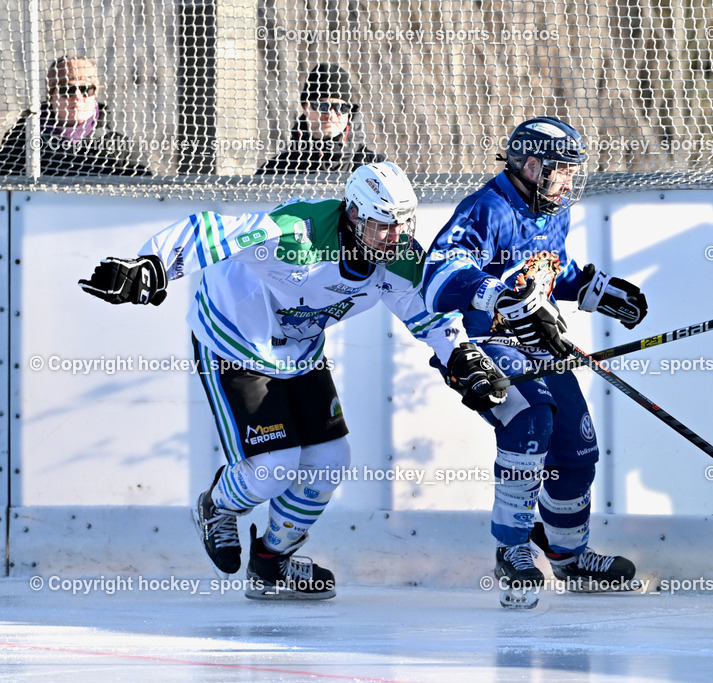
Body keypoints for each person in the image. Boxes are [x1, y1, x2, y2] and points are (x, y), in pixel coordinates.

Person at [78, 161, 504, 600]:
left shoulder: (399, 259)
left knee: (332, 460)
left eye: (402, 225)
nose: (393, 238)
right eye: (381, 226)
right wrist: (151, 265)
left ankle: (270, 563)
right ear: (354, 215)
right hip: (233, 342)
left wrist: (462, 357)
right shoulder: (296, 233)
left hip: (298, 354)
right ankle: (216, 507)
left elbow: (429, 313)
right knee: (272, 469)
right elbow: (209, 231)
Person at [422, 117, 649, 608]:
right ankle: (512, 549)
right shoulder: (487, 208)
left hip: (540, 347)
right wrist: (500, 296)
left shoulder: (552, 208)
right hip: (485, 343)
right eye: (560, 169)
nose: (567, 180)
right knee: (530, 421)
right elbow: (439, 277)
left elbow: (548, 269)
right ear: (530, 165)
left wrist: (595, 290)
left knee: (578, 446)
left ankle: (568, 556)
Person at [0, 56, 151, 176]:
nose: (78, 96)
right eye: (68, 90)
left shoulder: (118, 145)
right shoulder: (21, 141)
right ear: (51, 97)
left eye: (87, 89)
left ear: (95, 95)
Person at [256, 63, 385, 175]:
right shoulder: (277, 169)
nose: (331, 114)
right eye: (322, 106)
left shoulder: (375, 168)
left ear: (349, 112)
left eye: (341, 107)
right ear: (305, 107)